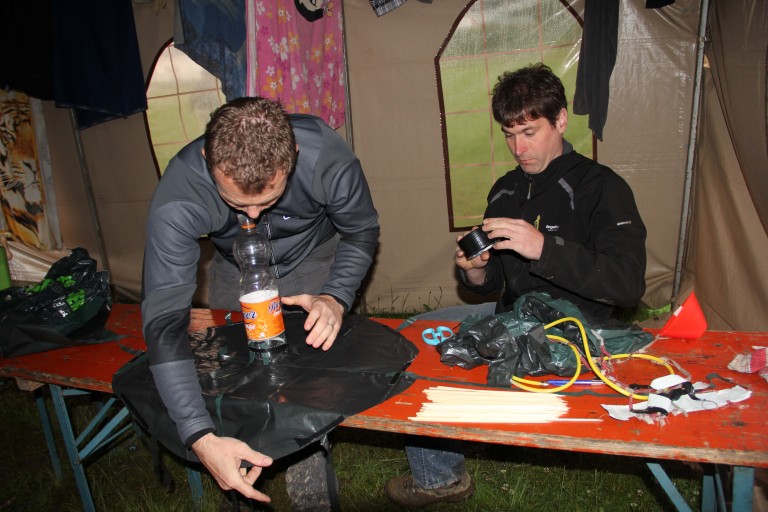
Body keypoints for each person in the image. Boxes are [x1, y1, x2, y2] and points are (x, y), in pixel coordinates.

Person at [385, 63, 647, 507]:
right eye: (509, 135)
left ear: (560, 120)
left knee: (446, 348)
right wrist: (475, 271)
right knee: (411, 334)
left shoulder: (601, 188)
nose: (519, 148)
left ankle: (443, 468)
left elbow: (627, 284)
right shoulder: (505, 191)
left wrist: (544, 247)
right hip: (511, 319)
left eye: (529, 132)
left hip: (576, 331)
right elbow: (496, 286)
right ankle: (442, 477)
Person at [141, 96, 380, 509]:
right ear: (207, 160)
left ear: (294, 156)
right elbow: (164, 322)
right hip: (236, 265)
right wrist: (198, 435)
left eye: (268, 200)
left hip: (313, 255)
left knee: (310, 375)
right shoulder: (180, 194)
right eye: (236, 203)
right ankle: (234, 467)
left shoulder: (326, 157)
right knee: (229, 371)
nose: (251, 216)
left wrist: (336, 296)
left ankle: (308, 465)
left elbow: (361, 230)